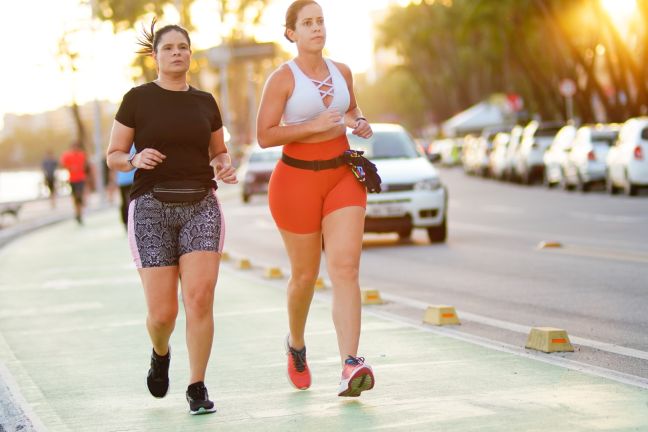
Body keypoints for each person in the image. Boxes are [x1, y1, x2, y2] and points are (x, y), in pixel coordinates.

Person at [106, 19, 237, 415]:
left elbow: (219, 152)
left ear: (190, 55)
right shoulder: (137, 99)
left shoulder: (205, 102)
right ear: (155, 57)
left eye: (183, 47)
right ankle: (160, 352)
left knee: (200, 298)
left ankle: (196, 385)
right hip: (151, 209)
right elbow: (113, 155)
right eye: (168, 48)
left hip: (200, 204)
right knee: (163, 314)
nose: (177, 53)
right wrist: (133, 158)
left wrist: (224, 166)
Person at [256, 0, 375, 397]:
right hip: (296, 182)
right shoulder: (281, 79)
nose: (316, 28)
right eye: (307, 23)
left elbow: (352, 108)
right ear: (291, 33)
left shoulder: (342, 71)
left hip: (343, 175)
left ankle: (350, 364)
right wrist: (309, 126)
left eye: (320, 21)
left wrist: (359, 121)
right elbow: (265, 135)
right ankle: (296, 343)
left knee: (345, 268)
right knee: (304, 276)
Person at [59, 141, 87, 224]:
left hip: (81, 178)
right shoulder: (67, 155)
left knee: (79, 196)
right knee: (75, 197)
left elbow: (85, 166)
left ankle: (80, 212)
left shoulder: (82, 155)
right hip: (72, 179)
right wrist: (70, 168)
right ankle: (77, 213)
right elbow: (62, 164)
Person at [115, 145, 135, 228]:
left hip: (124, 180)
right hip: (127, 179)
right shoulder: (135, 144)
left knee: (127, 201)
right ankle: (127, 222)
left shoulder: (119, 147)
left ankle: (126, 222)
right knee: (130, 202)